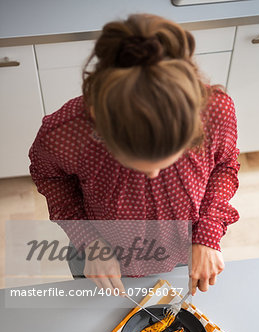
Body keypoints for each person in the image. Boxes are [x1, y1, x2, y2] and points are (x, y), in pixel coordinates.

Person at [29, 13, 240, 296]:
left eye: (168, 160)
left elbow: (224, 164)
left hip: (183, 251)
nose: (153, 175)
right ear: (99, 126)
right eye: (134, 163)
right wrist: (88, 242)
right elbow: (50, 177)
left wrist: (208, 234)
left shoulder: (215, 111)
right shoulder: (67, 132)